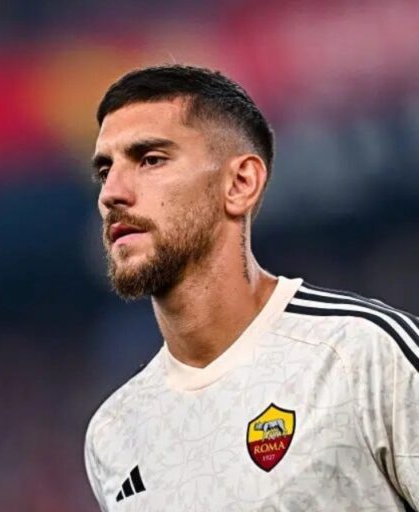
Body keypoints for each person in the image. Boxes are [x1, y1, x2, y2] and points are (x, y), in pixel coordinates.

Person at [84, 64, 419, 511]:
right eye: (105, 170)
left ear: (240, 184)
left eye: (150, 160)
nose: (112, 193)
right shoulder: (113, 434)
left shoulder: (364, 356)